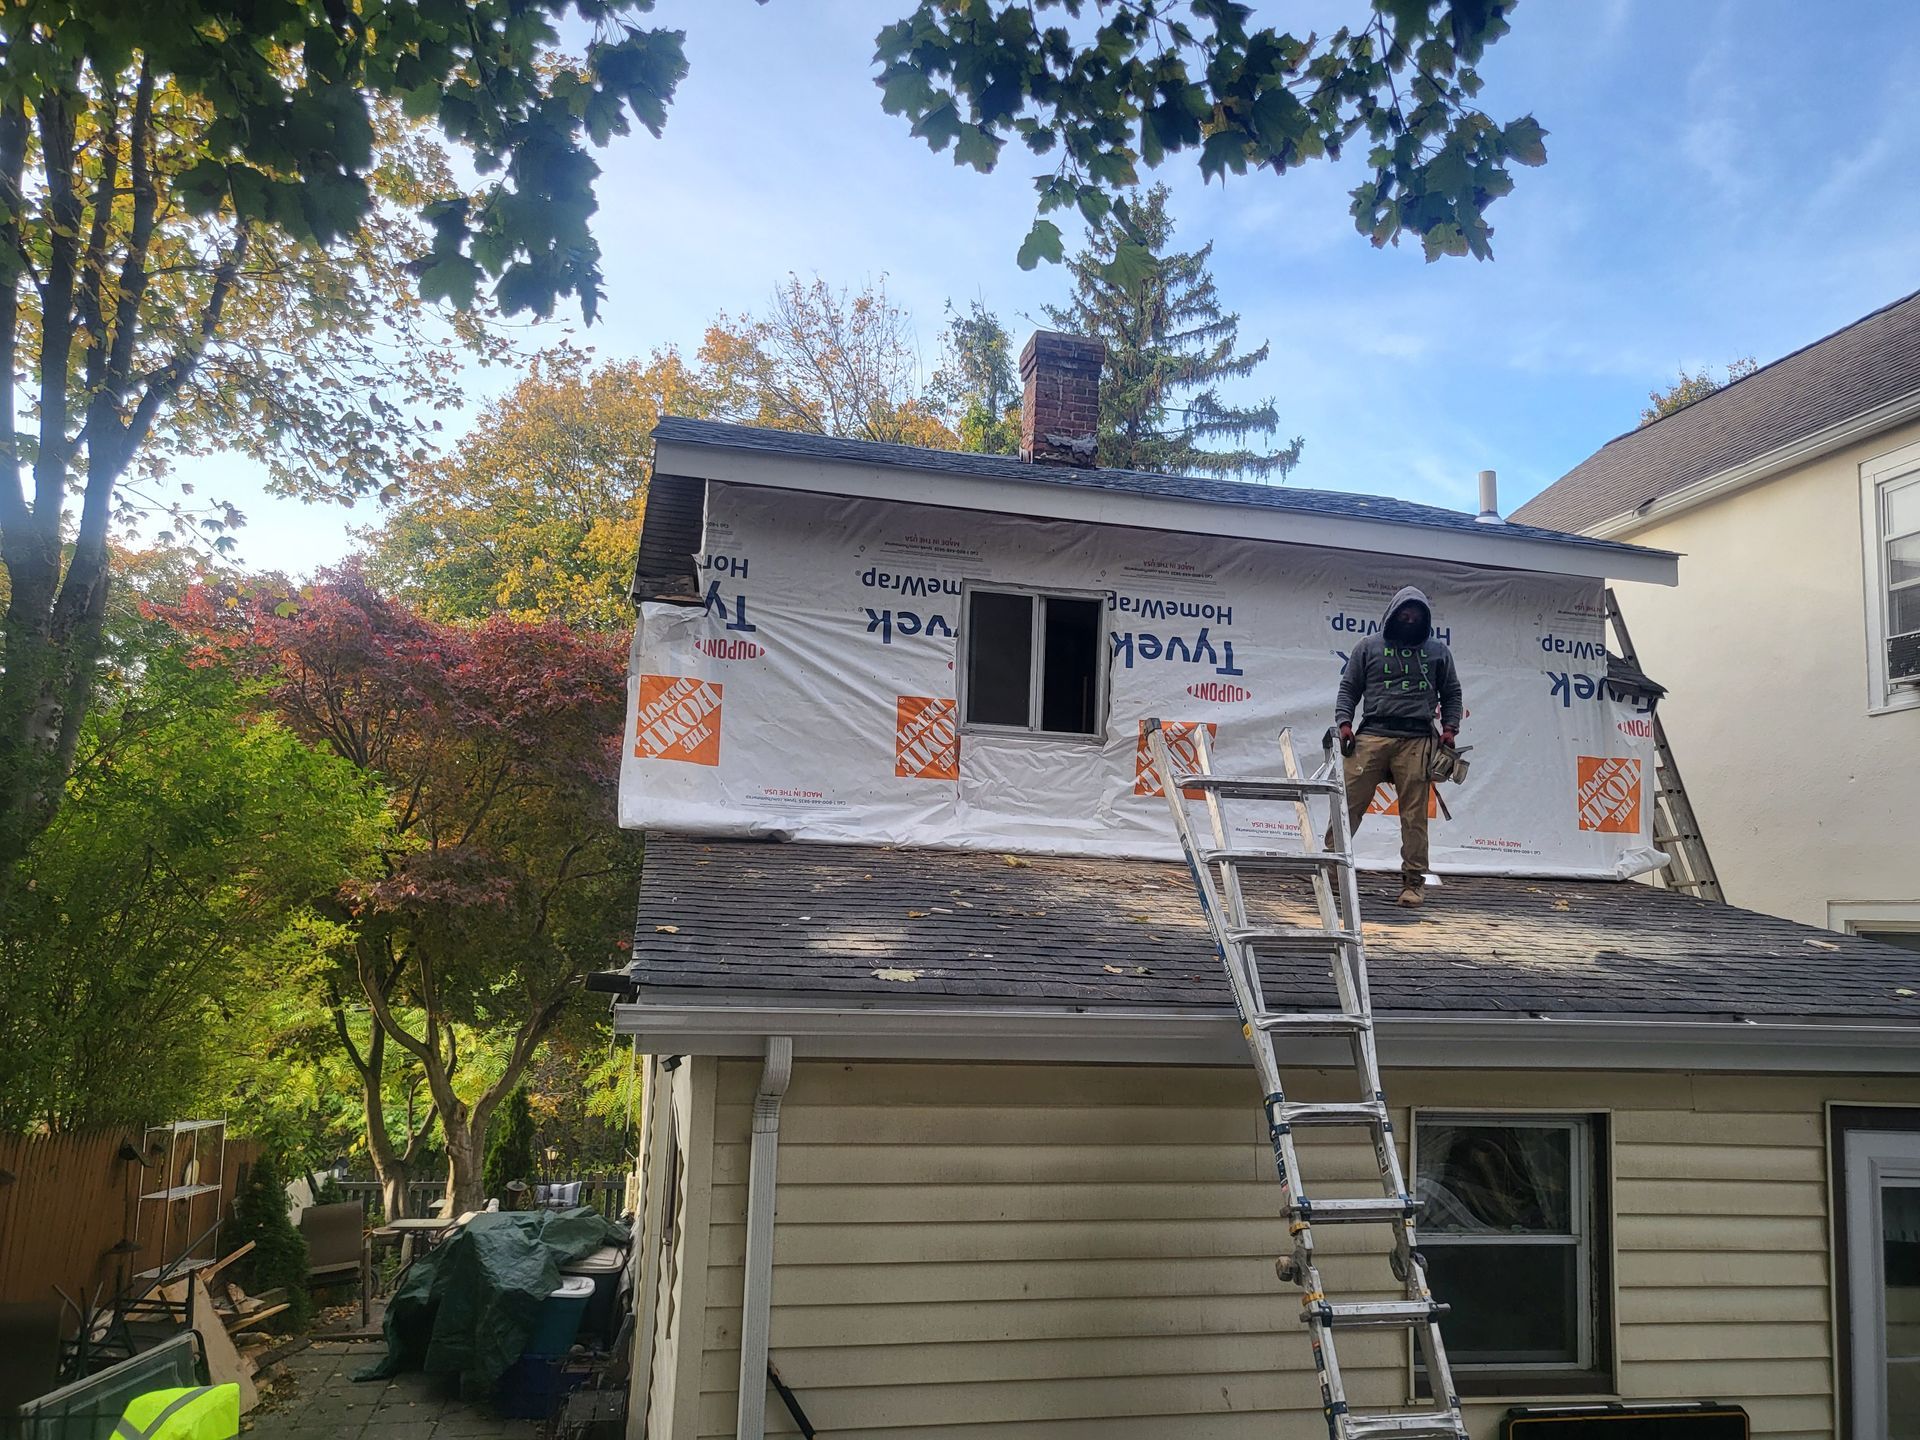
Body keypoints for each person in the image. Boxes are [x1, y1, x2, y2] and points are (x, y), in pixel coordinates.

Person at [1331, 586, 1463, 907]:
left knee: (1414, 815)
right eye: (1404, 614)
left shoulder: (1438, 651)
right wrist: (1345, 723)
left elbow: (1451, 693)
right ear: (1392, 614)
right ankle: (1332, 870)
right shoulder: (1368, 647)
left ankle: (1413, 883)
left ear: (1424, 619)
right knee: (1348, 804)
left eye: (1416, 616)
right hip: (1372, 734)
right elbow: (1349, 688)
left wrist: (1449, 730)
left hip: (1417, 739)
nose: (1410, 619)